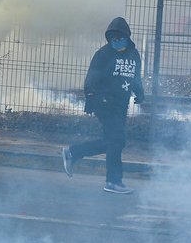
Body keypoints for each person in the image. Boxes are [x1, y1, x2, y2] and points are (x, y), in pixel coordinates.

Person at [61, 16, 145, 194]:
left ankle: (73, 153)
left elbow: (135, 77)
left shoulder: (134, 55)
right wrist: (91, 97)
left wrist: (139, 92)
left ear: (127, 37)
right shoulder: (103, 54)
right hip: (104, 103)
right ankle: (114, 181)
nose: (116, 41)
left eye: (120, 38)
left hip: (121, 105)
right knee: (117, 139)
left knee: (113, 141)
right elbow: (91, 78)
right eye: (113, 38)